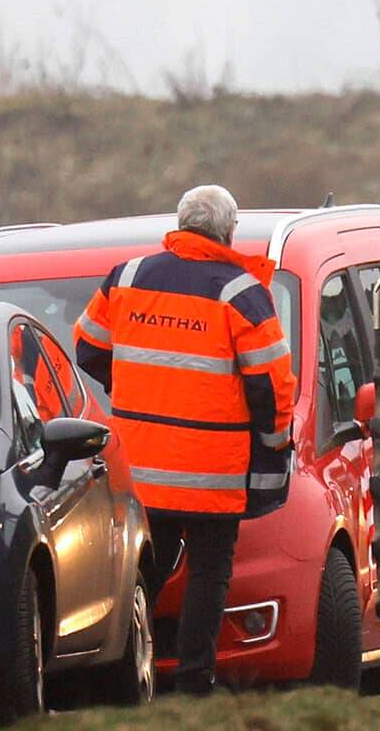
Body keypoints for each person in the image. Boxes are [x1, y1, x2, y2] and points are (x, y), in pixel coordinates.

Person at [71, 184, 298, 697]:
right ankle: (195, 682)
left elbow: (86, 348)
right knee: (208, 573)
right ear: (228, 232)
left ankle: (125, 678)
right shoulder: (239, 292)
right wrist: (274, 441)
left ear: (181, 224)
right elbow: (271, 384)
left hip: (142, 470)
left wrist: (135, 388)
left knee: (140, 570)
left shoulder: (126, 279)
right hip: (211, 472)